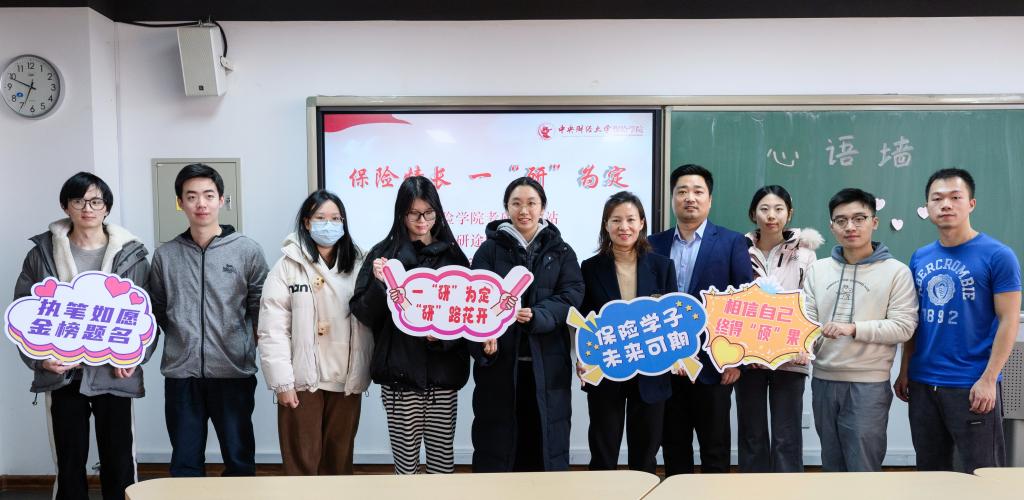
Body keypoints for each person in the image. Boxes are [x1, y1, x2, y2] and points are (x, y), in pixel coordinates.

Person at [15, 172, 150, 500]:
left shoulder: (131, 255)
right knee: (69, 464)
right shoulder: (41, 254)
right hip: (63, 376)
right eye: (78, 201)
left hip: (113, 375)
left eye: (95, 201)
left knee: (120, 463)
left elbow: (148, 315)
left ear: (107, 208)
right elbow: (23, 315)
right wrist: (41, 359)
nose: (87, 208)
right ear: (66, 206)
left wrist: (134, 357)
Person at [894, 168, 1021, 472]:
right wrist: (905, 369)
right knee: (930, 472)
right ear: (927, 207)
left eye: (955, 197)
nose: (946, 205)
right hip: (923, 384)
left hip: (971, 384)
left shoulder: (998, 255)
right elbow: (915, 319)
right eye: (937, 199)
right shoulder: (920, 257)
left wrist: (989, 379)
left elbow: (1009, 320)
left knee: (981, 472)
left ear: (971, 204)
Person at [149, 163, 269, 477]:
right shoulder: (165, 255)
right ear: (180, 202)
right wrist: (184, 338)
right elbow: (158, 309)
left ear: (221, 200)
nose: (200, 203)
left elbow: (261, 309)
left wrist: (244, 346)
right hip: (182, 374)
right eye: (191, 196)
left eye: (208, 195)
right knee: (185, 462)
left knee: (239, 460)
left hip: (233, 372)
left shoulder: (247, 250)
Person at [350, 176, 470, 475]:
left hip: (442, 376)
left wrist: (442, 338)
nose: (421, 221)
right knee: (406, 467)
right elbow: (364, 313)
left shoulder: (453, 256)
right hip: (400, 377)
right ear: (401, 213)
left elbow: (468, 316)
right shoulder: (383, 255)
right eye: (413, 213)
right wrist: (378, 284)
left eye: (428, 213)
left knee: (442, 463)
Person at [470, 176, 584, 472]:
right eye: (516, 203)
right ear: (506, 207)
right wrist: (484, 338)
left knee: (544, 445)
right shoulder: (488, 251)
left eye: (531, 203)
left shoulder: (562, 251)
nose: (524, 210)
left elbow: (571, 295)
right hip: (500, 367)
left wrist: (538, 315)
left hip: (548, 366)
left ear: (543, 207)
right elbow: (474, 300)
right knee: (499, 447)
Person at [258, 190, 372, 475]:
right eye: (321, 218)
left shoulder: (360, 264)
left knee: (339, 462)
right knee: (302, 463)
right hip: (302, 380)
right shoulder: (287, 266)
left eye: (335, 218)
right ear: (307, 222)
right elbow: (272, 330)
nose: (328, 224)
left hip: (346, 378)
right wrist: (282, 383)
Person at [649, 164, 753, 476]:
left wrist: (737, 360)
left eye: (697, 191)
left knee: (715, 447)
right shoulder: (653, 244)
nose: (689, 198)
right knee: (673, 445)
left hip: (714, 363)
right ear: (672, 198)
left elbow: (743, 302)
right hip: (666, 362)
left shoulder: (732, 242)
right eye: (682, 191)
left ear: (709, 199)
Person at [804, 187, 918, 472]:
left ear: (874, 222)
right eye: (841, 220)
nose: (850, 227)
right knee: (831, 465)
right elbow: (807, 322)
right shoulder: (818, 270)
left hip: (868, 384)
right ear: (831, 226)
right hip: (823, 380)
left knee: (863, 467)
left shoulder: (897, 272)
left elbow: (904, 326)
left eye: (859, 218)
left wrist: (853, 328)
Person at [579, 191, 676, 474]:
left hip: (651, 370)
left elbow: (673, 319)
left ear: (642, 223)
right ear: (606, 225)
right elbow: (585, 321)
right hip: (607, 368)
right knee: (603, 449)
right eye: (616, 220)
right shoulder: (590, 268)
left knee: (645, 454)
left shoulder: (662, 266)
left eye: (631, 219)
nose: (624, 227)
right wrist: (583, 358)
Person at [736, 185, 822, 473]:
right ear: (753, 214)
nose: (771, 215)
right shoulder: (738, 249)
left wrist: (803, 344)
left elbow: (811, 302)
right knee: (752, 433)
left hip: (791, 357)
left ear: (789, 214)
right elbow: (732, 301)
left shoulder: (805, 254)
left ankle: (788, 490)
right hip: (749, 358)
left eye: (778, 209)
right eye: (764, 209)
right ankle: (753, 490)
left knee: (787, 436)